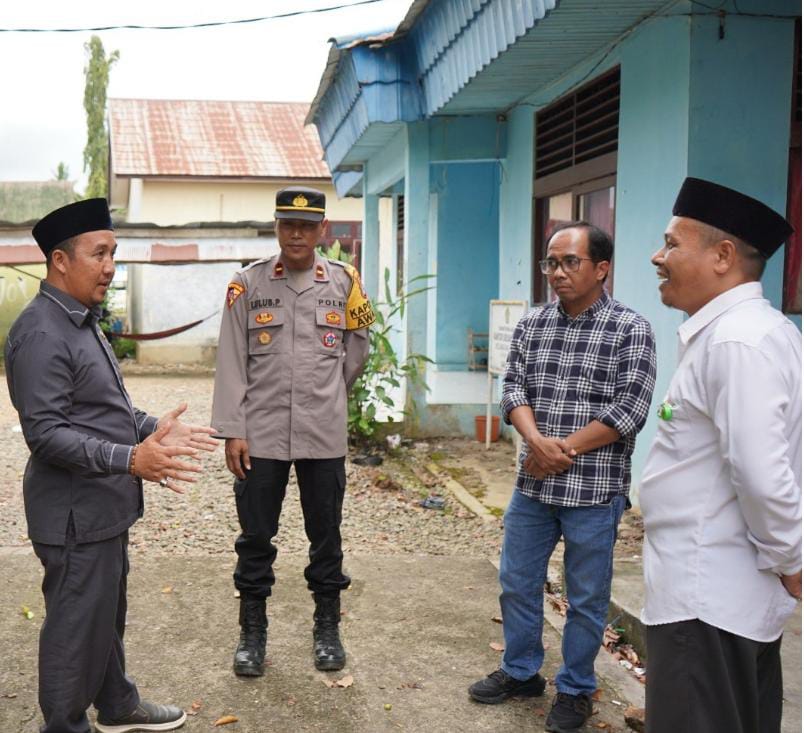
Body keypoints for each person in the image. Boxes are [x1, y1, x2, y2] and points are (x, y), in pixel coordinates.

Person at [5, 198, 219, 733]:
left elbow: (104, 409)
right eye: (98, 254)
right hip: (73, 515)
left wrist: (151, 429)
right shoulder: (41, 333)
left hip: (100, 507)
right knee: (75, 630)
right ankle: (63, 725)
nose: (110, 267)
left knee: (103, 616)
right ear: (60, 261)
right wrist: (131, 458)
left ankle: (117, 703)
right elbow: (46, 434)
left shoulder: (79, 320)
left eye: (113, 253)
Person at [468, 222, 657, 733]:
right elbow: (514, 389)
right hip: (534, 485)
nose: (557, 272)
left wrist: (559, 450)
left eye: (570, 261)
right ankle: (520, 671)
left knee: (587, 597)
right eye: (551, 262)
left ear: (602, 268)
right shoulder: (533, 324)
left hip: (594, 490)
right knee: (516, 582)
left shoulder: (631, 329)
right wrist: (536, 443)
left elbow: (629, 410)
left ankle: (575, 688)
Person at [640, 177, 801, 733]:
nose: (658, 257)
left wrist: (792, 560)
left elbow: (761, 473)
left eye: (672, 243)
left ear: (723, 256)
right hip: (720, 598)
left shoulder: (736, 342)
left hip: (706, 600)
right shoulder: (754, 333)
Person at [211, 186, 374, 678]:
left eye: (306, 226)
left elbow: (357, 348)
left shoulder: (345, 282)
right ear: (276, 226)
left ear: (322, 229)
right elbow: (231, 359)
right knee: (255, 536)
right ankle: (251, 633)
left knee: (326, 535)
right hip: (259, 435)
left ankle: (327, 629)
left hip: (322, 433)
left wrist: (328, 394)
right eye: (288, 225)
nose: (297, 234)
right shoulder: (247, 284)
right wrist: (233, 429)